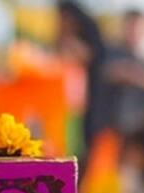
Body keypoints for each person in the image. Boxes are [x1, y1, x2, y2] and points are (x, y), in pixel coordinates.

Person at [103, 11, 144, 134]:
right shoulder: (111, 51)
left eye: (140, 28)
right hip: (112, 126)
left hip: (143, 127)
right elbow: (111, 71)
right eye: (132, 27)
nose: (135, 32)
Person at [57, 1, 107, 154]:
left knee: (78, 142)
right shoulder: (64, 33)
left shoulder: (87, 31)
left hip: (83, 100)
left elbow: (90, 57)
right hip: (66, 100)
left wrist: (70, 43)